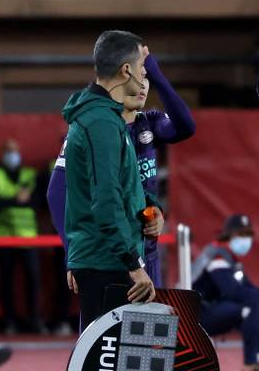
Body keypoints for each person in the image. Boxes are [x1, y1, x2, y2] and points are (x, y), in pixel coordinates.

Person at [47, 46, 195, 289]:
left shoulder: (149, 124)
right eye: (140, 76)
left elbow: (186, 126)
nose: (143, 85)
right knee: (106, 326)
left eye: (147, 78)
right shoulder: (94, 129)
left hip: (146, 251)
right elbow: (56, 192)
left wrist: (154, 208)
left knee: (146, 326)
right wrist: (72, 256)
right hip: (109, 256)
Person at [61, 30, 158, 332]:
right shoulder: (101, 122)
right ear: (126, 70)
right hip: (108, 263)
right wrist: (134, 265)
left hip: (107, 258)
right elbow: (105, 201)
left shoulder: (108, 118)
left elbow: (120, 190)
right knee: (107, 361)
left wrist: (151, 208)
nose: (144, 78)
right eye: (142, 70)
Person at [191, 215, 259, 371]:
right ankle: (250, 364)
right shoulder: (216, 254)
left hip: (216, 307)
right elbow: (232, 292)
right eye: (242, 234)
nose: (246, 239)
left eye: (249, 234)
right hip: (197, 314)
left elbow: (249, 289)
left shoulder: (232, 259)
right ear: (229, 234)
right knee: (253, 306)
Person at [0, 139, 44, 334]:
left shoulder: (29, 174)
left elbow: (39, 201)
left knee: (33, 279)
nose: (13, 155)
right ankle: (9, 321)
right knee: (6, 281)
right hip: (2, 236)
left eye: (15, 151)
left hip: (28, 237)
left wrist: (13, 202)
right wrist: (17, 200)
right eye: (8, 151)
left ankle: (35, 320)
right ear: (1, 154)